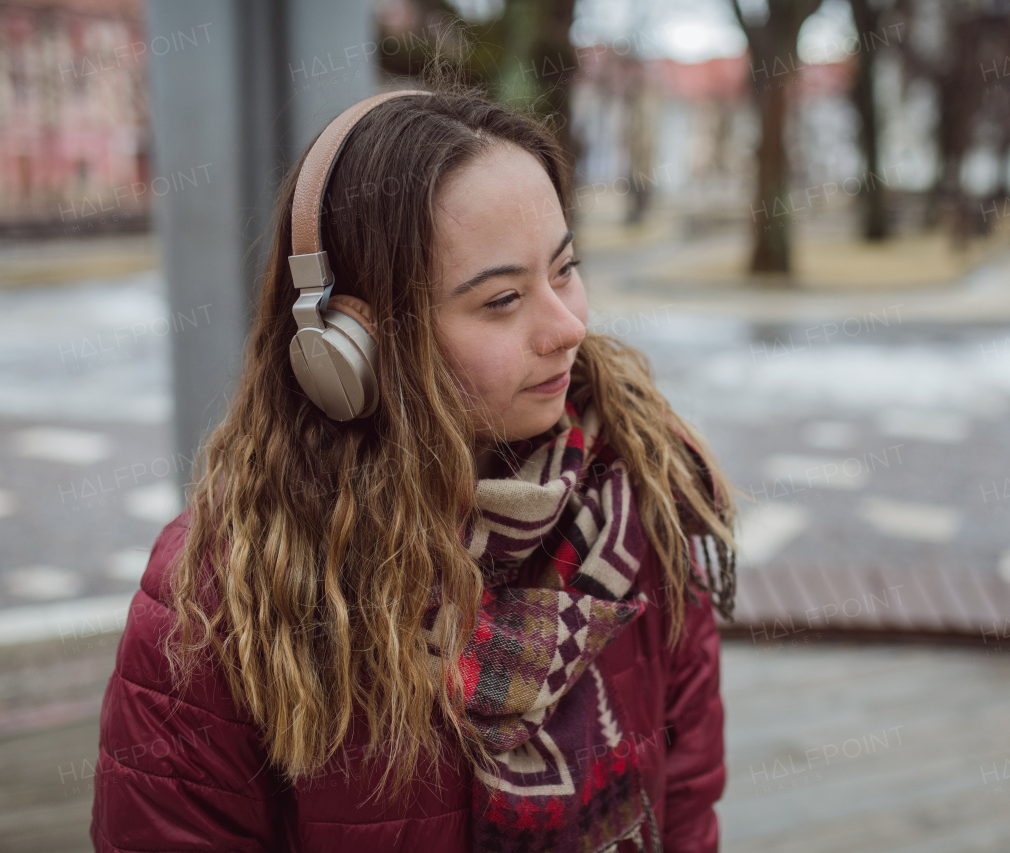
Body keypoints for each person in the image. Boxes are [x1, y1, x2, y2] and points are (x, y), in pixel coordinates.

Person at [89, 82, 740, 853]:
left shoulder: (644, 500)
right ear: (351, 347)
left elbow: (688, 811)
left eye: (563, 270)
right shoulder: (221, 600)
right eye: (502, 300)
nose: (567, 326)